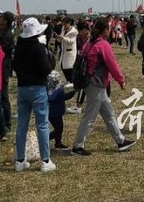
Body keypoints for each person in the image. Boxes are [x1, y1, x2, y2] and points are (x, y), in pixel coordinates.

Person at [71, 18, 136, 156]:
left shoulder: (90, 42)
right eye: (108, 28)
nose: (110, 30)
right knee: (89, 117)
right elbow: (112, 64)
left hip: (90, 82)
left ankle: (120, 141)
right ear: (105, 30)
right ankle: (78, 146)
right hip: (97, 83)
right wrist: (121, 80)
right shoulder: (103, 44)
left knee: (109, 113)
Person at [13, 17, 55, 172]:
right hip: (37, 88)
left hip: (22, 88)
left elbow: (15, 66)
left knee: (22, 124)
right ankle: (45, 161)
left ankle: (20, 160)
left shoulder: (19, 47)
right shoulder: (38, 47)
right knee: (42, 124)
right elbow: (46, 69)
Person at [47, 71, 76, 150]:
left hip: (51, 113)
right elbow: (65, 97)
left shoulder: (47, 89)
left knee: (58, 129)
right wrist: (73, 92)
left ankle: (58, 143)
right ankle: (45, 139)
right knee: (59, 130)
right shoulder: (58, 91)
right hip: (56, 114)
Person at [55, 17, 78, 83]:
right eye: (63, 24)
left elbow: (71, 41)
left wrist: (63, 38)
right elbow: (61, 39)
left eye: (65, 24)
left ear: (69, 23)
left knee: (69, 68)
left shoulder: (74, 31)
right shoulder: (63, 29)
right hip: (63, 52)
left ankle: (72, 82)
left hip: (70, 52)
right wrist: (58, 38)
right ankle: (68, 81)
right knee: (63, 67)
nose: (64, 26)